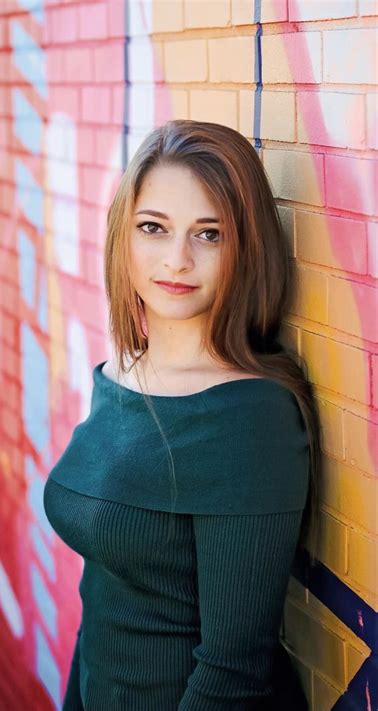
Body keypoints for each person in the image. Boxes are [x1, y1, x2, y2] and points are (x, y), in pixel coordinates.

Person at [43, 119, 322, 710]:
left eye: (209, 234)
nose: (177, 260)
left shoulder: (251, 417)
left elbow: (232, 671)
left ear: (245, 246)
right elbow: (104, 599)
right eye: (154, 228)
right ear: (125, 236)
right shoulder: (120, 375)